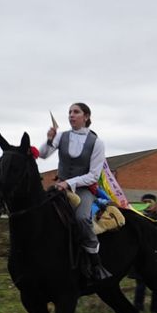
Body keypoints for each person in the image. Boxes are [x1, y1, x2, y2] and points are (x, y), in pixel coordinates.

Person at [37, 102, 111, 281]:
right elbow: (43, 155)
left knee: (80, 218)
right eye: (69, 112)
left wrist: (68, 183)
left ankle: (95, 262)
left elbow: (93, 176)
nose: (71, 115)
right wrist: (49, 139)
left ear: (86, 117)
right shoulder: (61, 136)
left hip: (84, 189)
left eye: (76, 112)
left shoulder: (97, 143)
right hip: (59, 186)